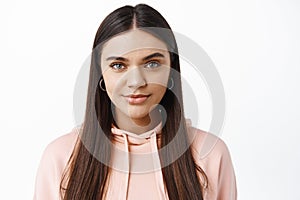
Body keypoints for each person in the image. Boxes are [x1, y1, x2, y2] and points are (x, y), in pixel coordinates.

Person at [33, 3, 237, 200]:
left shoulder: (211, 154)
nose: (136, 82)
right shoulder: (60, 157)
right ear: (100, 74)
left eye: (152, 63)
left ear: (171, 69)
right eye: (118, 65)